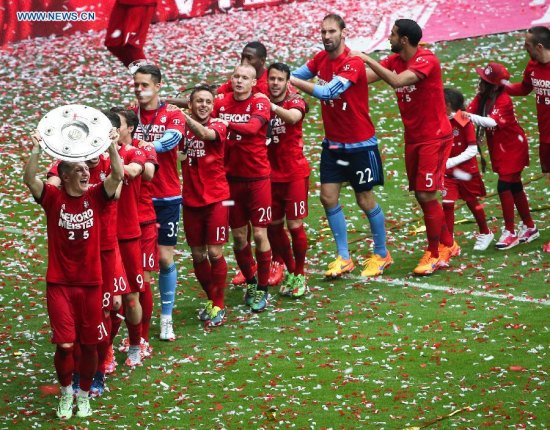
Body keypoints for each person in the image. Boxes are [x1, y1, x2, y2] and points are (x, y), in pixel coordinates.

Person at [23, 128, 123, 420]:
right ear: (64, 175)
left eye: (86, 169)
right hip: (60, 283)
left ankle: (83, 394)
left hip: (92, 283)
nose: (85, 173)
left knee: (90, 344)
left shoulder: (96, 195)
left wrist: (114, 147)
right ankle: (66, 393)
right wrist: (38, 149)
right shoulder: (53, 197)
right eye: (78, 169)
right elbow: (30, 179)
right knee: (66, 343)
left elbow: (116, 177)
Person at [290, 13, 391, 279]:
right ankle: (344, 257)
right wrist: (277, 79)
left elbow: (328, 92)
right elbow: (295, 75)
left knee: (364, 199)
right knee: (327, 197)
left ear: (343, 33)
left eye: (332, 31)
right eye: (323, 32)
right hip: (333, 145)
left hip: (360, 145)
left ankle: (381, 253)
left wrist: (291, 82)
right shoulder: (320, 59)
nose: (327, 37)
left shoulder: (353, 63)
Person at [354, 18, 459, 275]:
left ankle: (434, 254)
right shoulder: (394, 60)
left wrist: (367, 58)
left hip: (434, 138)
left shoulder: (426, 60)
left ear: (404, 40)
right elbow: (366, 79)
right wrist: (341, 78)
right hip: (415, 138)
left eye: (392, 34)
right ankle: (448, 243)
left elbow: (398, 82)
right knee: (423, 195)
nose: (389, 38)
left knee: (426, 194)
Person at [212, 63, 272, 313]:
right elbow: (203, 113)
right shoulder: (221, 102)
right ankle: (250, 281)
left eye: (244, 78)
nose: (239, 81)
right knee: (238, 237)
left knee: (259, 234)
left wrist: (223, 124)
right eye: (235, 76)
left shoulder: (260, 102)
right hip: (230, 181)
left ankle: (264, 289)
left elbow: (251, 129)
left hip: (258, 179)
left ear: (253, 83)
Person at [132, 64, 186, 340]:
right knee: (137, 264)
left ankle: (166, 318)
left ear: (158, 85)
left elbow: (171, 140)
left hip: (165, 196)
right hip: (136, 198)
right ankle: (136, 325)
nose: (140, 90)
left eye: (145, 85)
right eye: (137, 85)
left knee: (164, 259)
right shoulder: (130, 115)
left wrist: (141, 146)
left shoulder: (173, 114)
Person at [467, 62, 538, 249]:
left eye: (484, 80)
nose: (480, 83)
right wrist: (453, 113)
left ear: (494, 85)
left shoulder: (504, 100)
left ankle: (510, 232)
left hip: (513, 147)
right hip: (500, 148)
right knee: (515, 186)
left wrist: (466, 117)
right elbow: (468, 111)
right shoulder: (482, 97)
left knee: (504, 185)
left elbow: (491, 122)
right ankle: (530, 226)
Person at [179, 84, 230, 327]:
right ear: (191, 104)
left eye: (208, 102)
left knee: (214, 252)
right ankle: (212, 300)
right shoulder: (181, 130)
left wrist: (181, 117)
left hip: (217, 199)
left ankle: (219, 304)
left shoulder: (219, 125)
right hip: (190, 200)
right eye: (199, 101)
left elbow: (204, 135)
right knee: (197, 254)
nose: (204, 105)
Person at [266, 62, 310, 297]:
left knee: (294, 226)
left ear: (287, 82)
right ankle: (291, 270)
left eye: (279, 79)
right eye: (271, 79)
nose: (275, 83)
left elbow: (293, 118)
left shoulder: (295, 101)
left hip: (294, 173)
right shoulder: (260, 101)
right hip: (269, 176)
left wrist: (269, 106)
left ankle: (301, 274)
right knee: (273, 227)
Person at [504, 26, 549, 252]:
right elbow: (524, 88)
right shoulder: (533, 66)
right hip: (546, 137)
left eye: (527, 45)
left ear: (539, 47)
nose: (524, 49)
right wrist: (501, 86)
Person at [442, 88, 493, 251]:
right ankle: (448, 244)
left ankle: (485, 232)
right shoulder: (440, 119)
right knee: (447, 203)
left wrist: (450, 162)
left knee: (472, 201)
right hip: (448, 173)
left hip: (465, 171)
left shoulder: (462, 119)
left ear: (448, 104)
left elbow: (472, 149)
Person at [104, 0, 157, 68]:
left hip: (141, 3)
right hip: (123, 2)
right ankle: (144, 75)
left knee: (131, 46)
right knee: (114, 43)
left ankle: (147, 77)